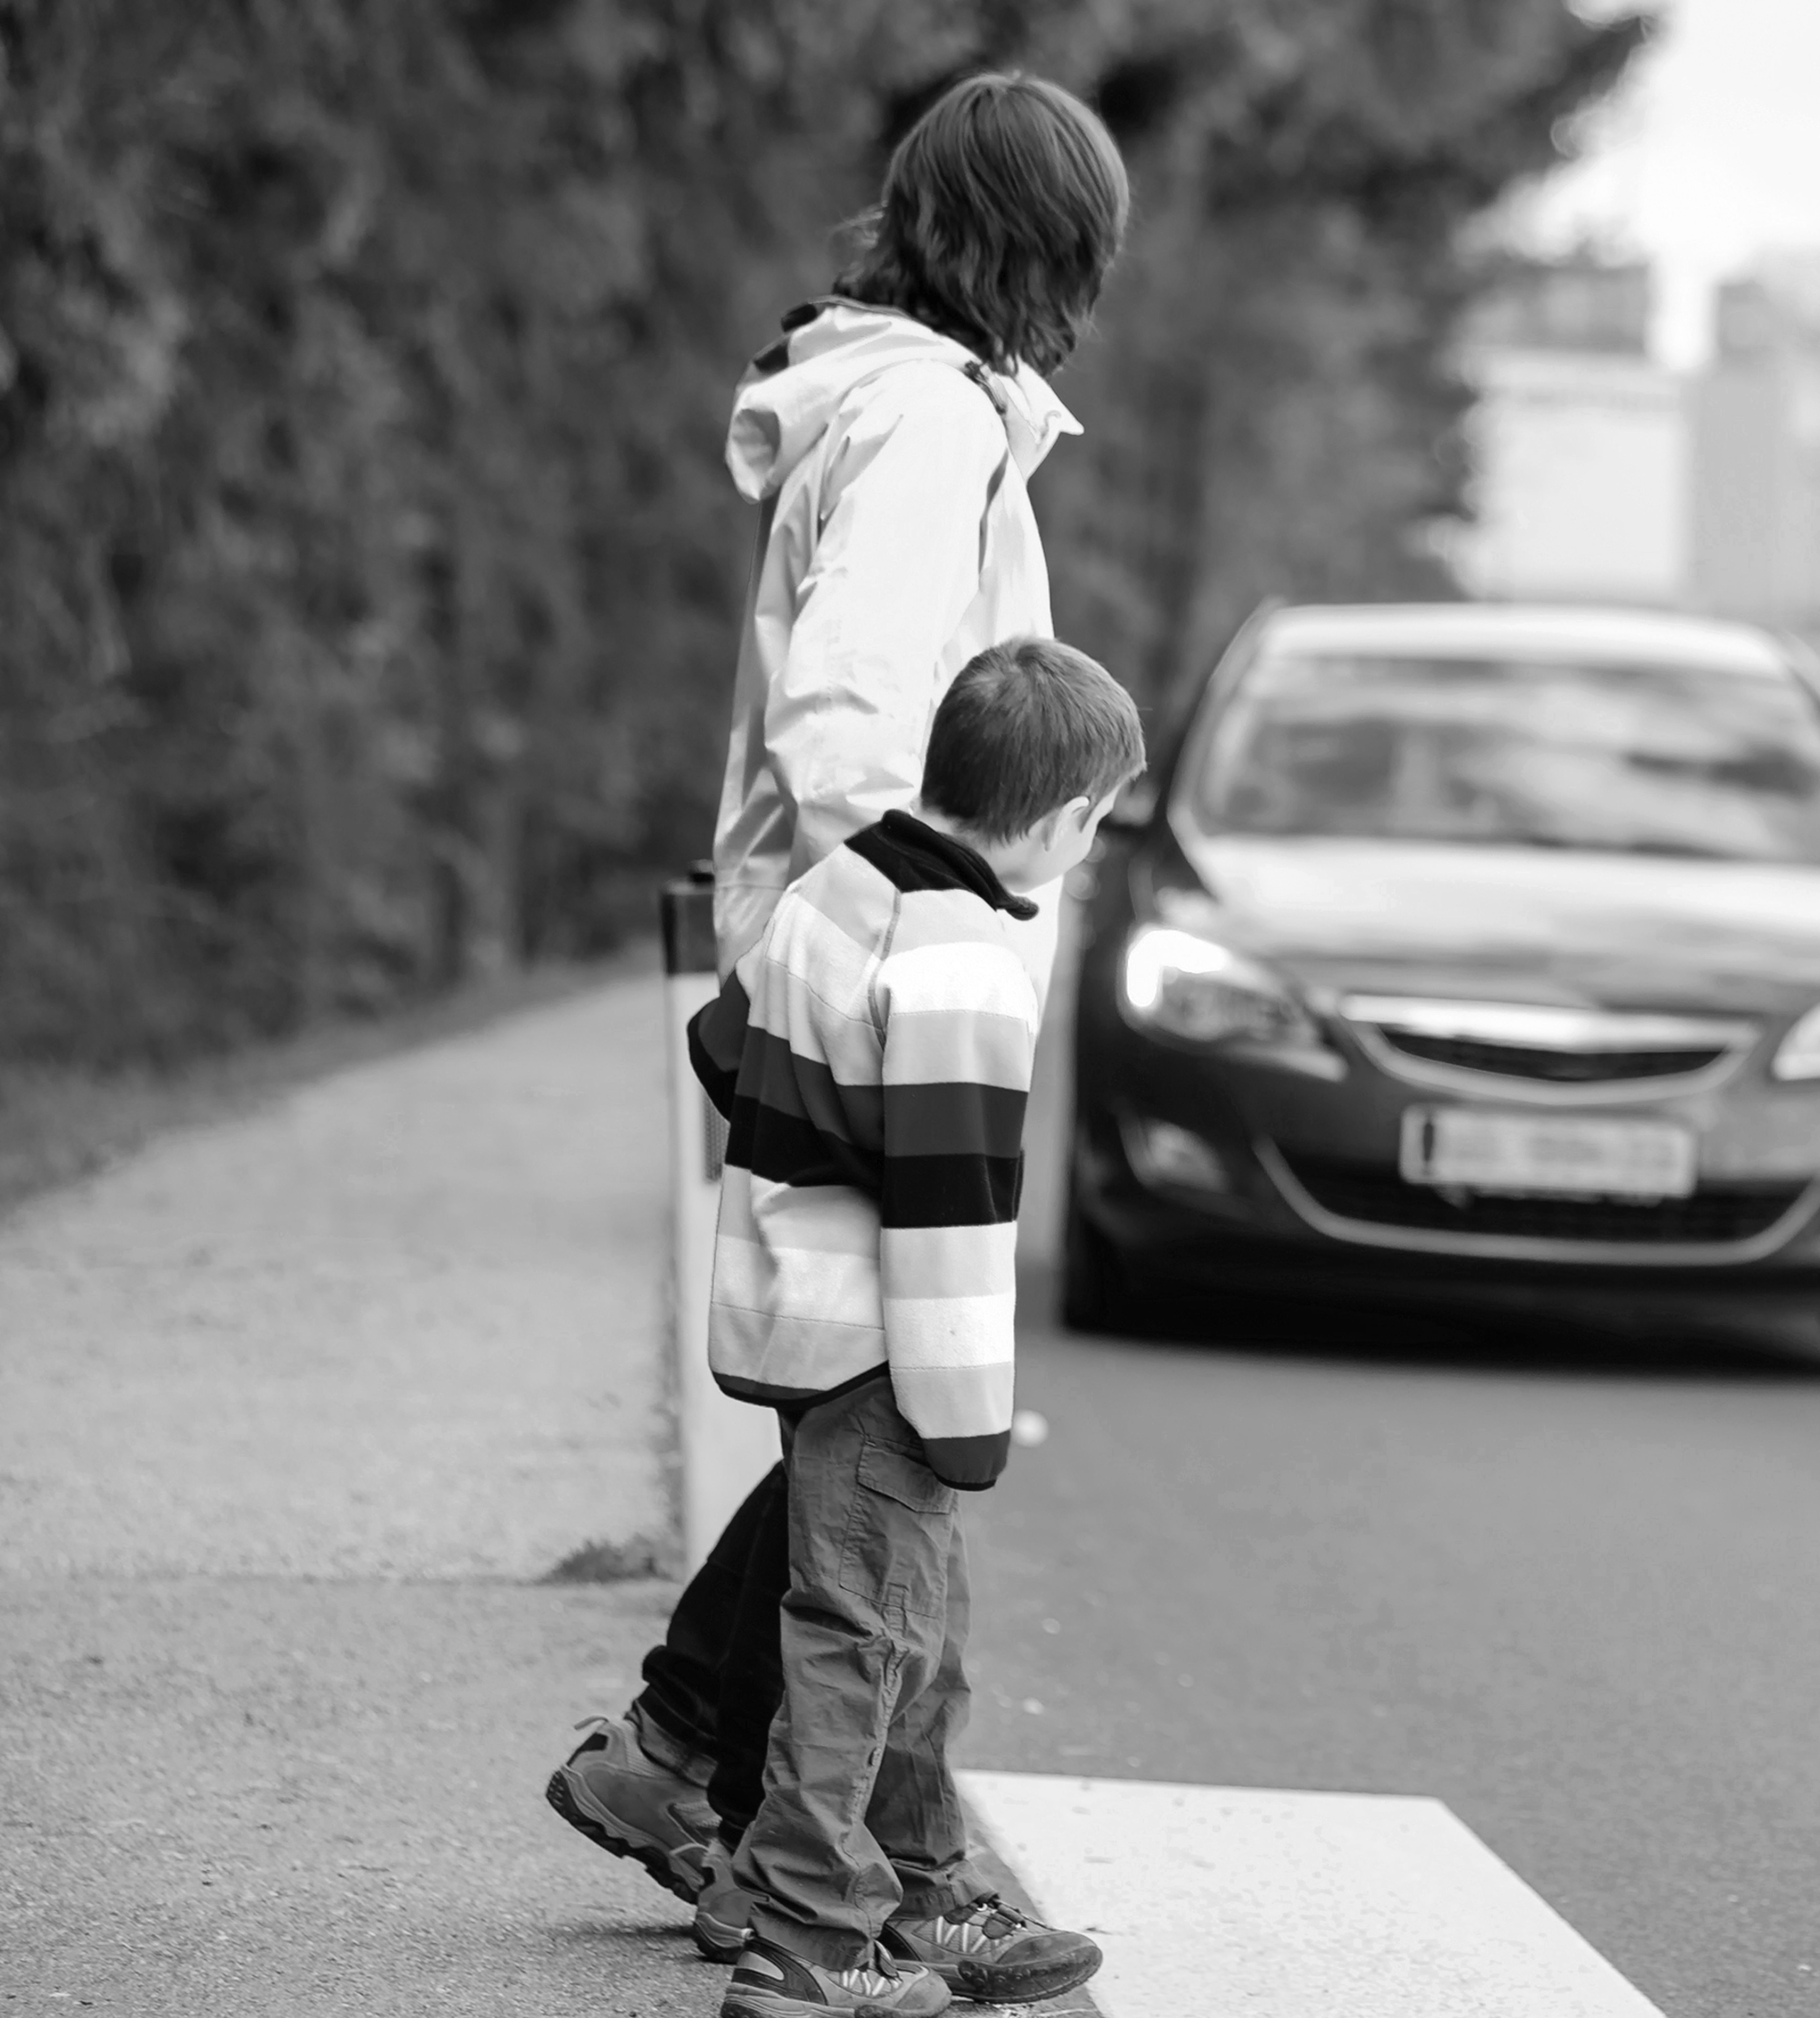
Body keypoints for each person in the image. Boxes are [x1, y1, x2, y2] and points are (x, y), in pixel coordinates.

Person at [542, 67, 1129, 1996]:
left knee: (850, 1430)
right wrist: (939, 920)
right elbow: (859, 721)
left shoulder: (889, 401)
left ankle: (678, 1762)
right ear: (1043, 255)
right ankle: (872, 1877)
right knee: (892, 1448)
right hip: (876, 990)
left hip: (826, 958)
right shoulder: (926, 424)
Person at [697, 637, 1143, 2016]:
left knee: (908, 1616)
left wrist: (824, 1126)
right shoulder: (963, 959)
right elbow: (952, 1221)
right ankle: (808, 1930)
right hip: (886, 1342)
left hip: (790, 1300)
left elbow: (726, 1042)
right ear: (1067, 821)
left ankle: (918, 1884)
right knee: (864, 1628)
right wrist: (968, 1419)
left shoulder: (840, 883)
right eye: (1103, 821)